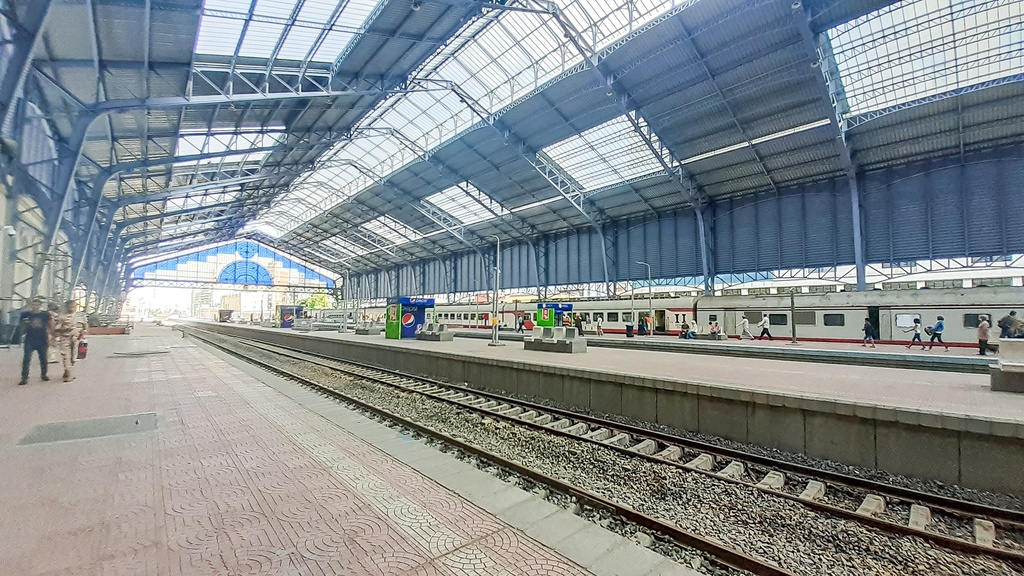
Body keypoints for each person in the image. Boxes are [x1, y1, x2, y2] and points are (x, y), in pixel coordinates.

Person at [17, 297, 52, 385]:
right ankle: (24, 377)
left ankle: (44, 374)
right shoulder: (25, 314)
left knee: (43, 358)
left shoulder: (45, 315)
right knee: (27, 358)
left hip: (42, 339)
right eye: (33, 305)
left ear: (40, 306)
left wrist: (52, 336)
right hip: (30, 339)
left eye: (37, 305)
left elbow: (50, 325)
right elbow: (20, 326)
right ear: (31, 305)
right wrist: (21, 332)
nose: (35, 307)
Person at [54, 300, 87, 381]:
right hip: (65, 338)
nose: (72, 308)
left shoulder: (81, 315)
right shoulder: (62, 317)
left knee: (73, 357)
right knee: (66, 356)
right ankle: (70, 375)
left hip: (77, 338)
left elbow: (85, 326)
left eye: (74, 306)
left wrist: (84, 334)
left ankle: (68, 370)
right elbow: (56, 328)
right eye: (70, 307)